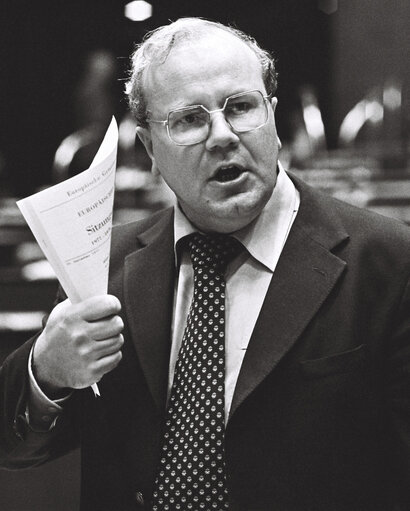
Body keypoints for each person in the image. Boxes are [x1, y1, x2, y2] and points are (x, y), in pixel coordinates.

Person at [1, 17, 410, 511]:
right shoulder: (104, 265)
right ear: (150, 147)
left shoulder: (389, 260)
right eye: (190, 120)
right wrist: (44, 371)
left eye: (240, 107)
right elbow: (15, 448)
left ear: (273, 119)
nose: (222, 135)